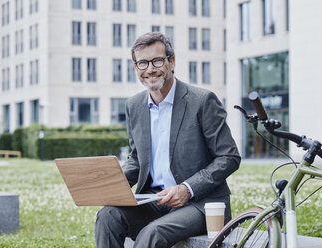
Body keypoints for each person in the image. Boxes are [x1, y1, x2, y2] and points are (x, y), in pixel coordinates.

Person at [95, 32, 241, 248]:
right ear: (136, 68)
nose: (150, 69)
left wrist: (186, 188)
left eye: (156, 61)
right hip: (153, 201)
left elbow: (229, 157)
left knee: (152, 233)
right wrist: (113, 184)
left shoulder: (202, 101)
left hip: (199, 204)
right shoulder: (133, 106)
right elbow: (137, 159)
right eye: (142, 63)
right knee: (107, 216)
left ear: (171, 62)